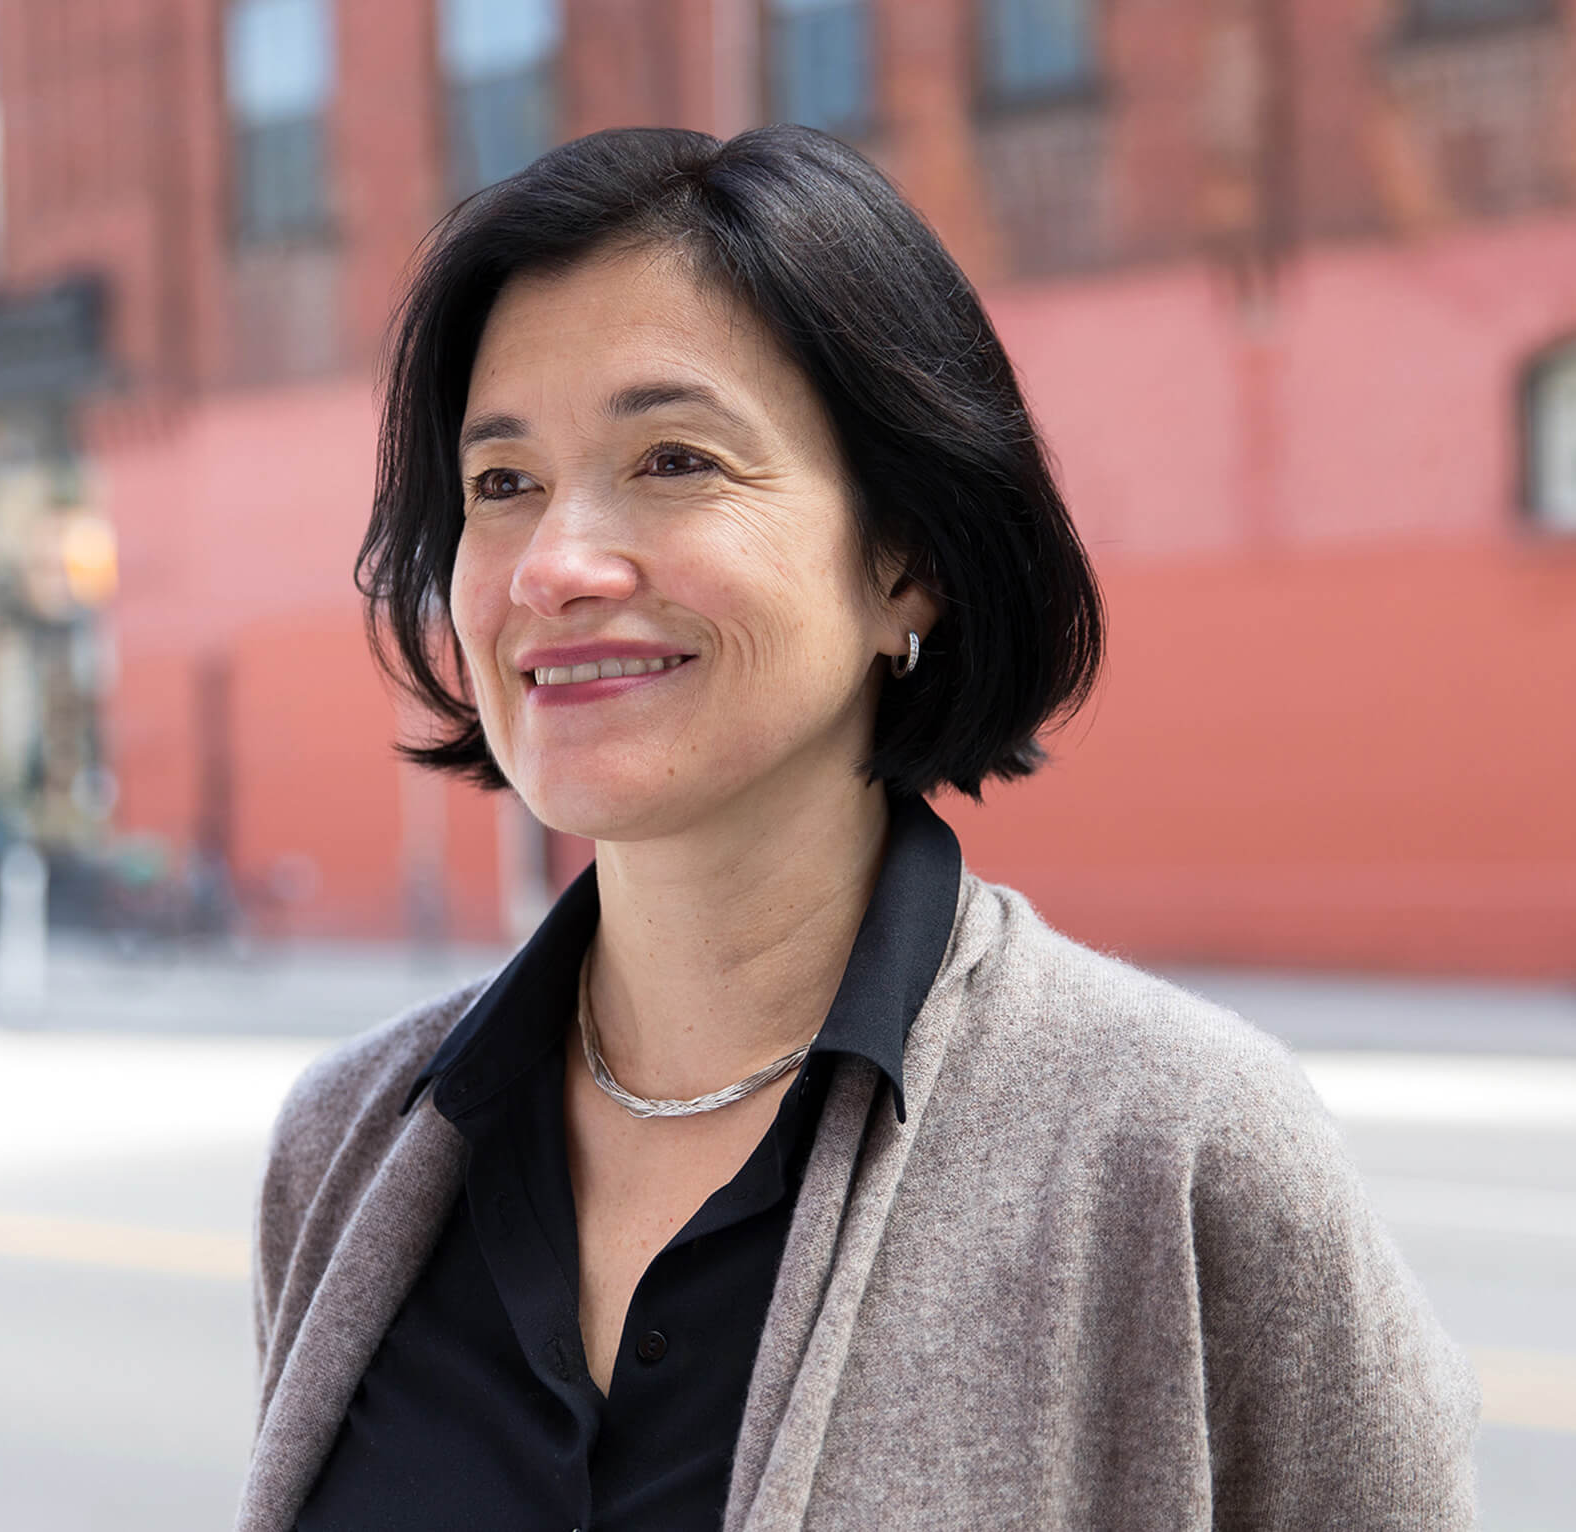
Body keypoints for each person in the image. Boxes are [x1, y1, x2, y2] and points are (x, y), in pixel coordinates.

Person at [239, 126, 1476, 1532]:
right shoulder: (351, 1146)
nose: (558, 566)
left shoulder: (1172, 1148)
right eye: (501, 484)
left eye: (675, 459)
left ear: (909, 563)